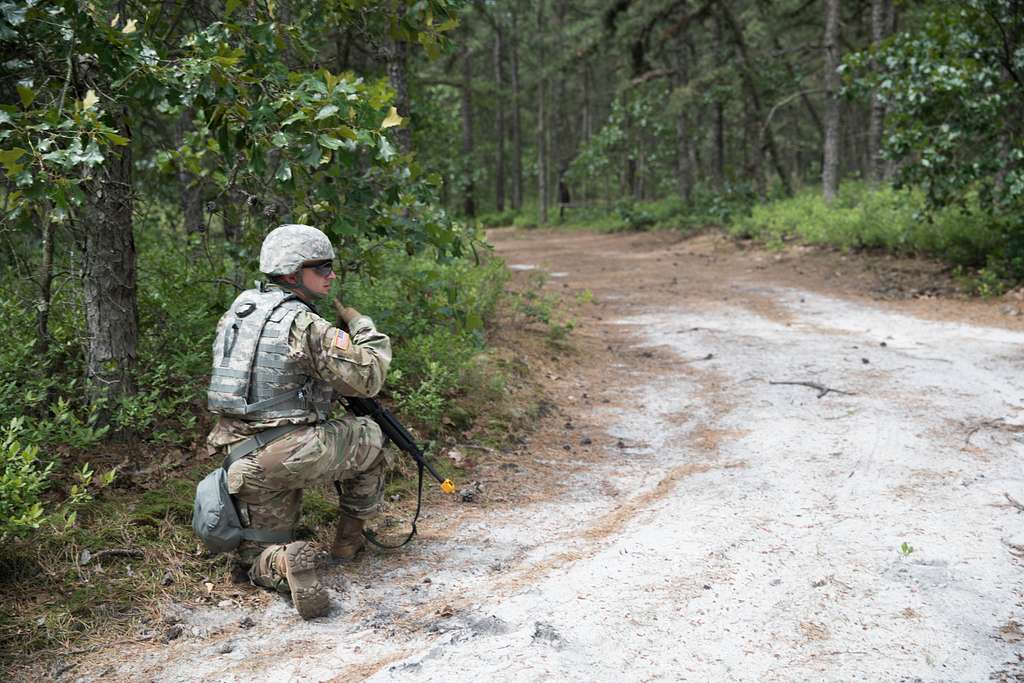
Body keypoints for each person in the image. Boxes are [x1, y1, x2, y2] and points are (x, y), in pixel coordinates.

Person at [205, 224, 392, 619]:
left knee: (254, 559)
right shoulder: (304, 324)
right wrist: (362, 327)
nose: (331, 275)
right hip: (292, 453)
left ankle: (282, 561)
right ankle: (348, 544)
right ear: (292, 274)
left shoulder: (238, 313)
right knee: (370, 435)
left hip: (242, 463)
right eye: (322, 267)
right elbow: (369, 378)